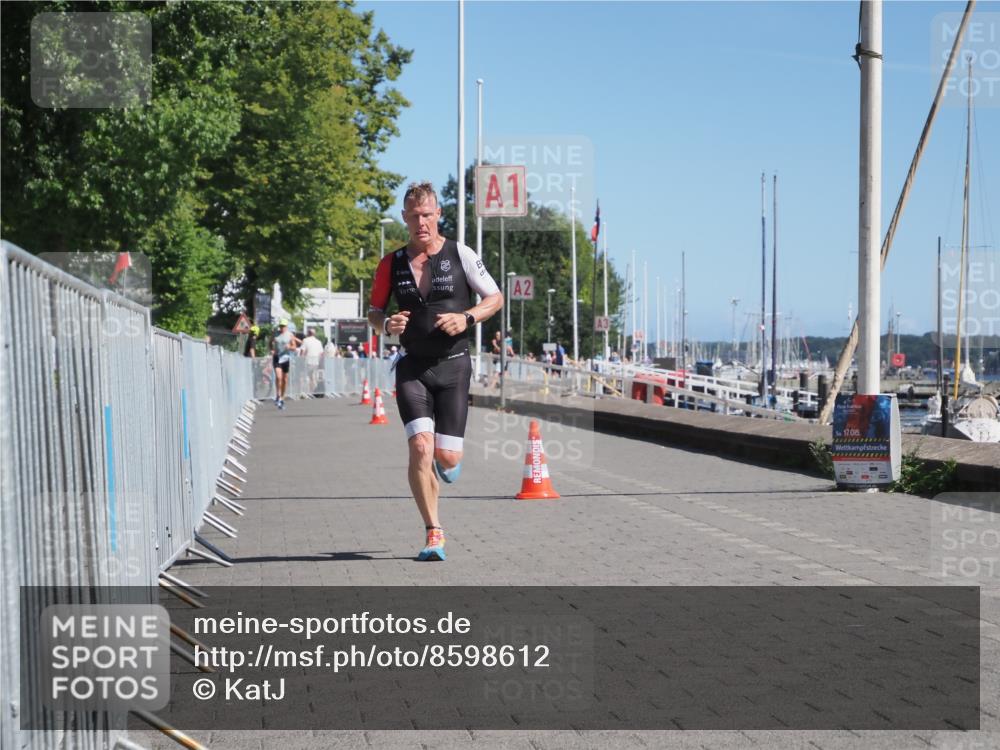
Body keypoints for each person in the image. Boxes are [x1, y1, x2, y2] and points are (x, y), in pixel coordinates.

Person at [368, 181, 503, 561]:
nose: (421, 222)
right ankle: (433, 531)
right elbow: (374, 313)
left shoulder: (461, 253)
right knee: (420, 448)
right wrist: (385, 325)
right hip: (412, 367)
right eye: (414, 216)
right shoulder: (390, 264)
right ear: (404, 218)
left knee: (447, 457)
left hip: (454, 366)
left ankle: (444, 466)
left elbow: (494, 297)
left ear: (438, 214)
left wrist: (467, 317)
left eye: (427, 214)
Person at [270, 320, 299, 409]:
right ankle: (278, 395)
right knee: (279, 377)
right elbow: (270, 342)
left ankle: (282, 397)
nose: (282, 328)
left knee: (285, 379)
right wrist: (271, 349)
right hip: (277, 357)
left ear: (286, 326)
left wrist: (289, 347)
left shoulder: (290, 335)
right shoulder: (275, 334)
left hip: (285, 358)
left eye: (283, 326)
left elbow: (295, 347)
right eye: (281, 326)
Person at [299, 327, 323, 394]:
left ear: (308, 333)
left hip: (307, 361)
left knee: (305, 377)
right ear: (314, 334)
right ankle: (313, 391)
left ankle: (304, 392)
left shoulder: (305, 340)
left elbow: (302, 351)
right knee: (313, 377)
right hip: (316, 362)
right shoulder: (318, 342)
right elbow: (321, 353)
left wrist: (300, 360)